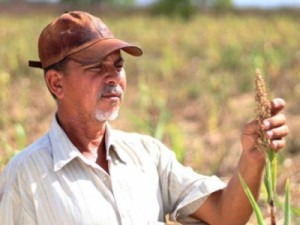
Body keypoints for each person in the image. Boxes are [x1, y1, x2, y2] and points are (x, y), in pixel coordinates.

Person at [0, 11, 288, 225]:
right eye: (96, 67)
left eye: (118, 65)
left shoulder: (147, 155)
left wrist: (253, 158)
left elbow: (225, 216)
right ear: (56, 84)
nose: (113, 76)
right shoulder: (25, 176)